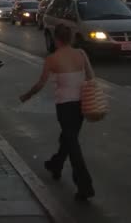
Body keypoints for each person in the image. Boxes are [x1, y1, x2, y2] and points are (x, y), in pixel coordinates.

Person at [20, 24, 96, 201]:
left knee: (72, 142)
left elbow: (40, 84)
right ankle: (56, 164)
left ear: (57, 39)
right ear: (69, 38)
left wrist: (26, 96)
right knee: (68, 139)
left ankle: (85, 185)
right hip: (81, 104)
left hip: (65, 106)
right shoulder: (81, 54)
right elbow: (91, 77)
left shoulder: (52, 59)